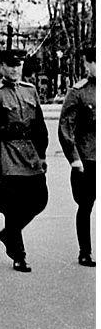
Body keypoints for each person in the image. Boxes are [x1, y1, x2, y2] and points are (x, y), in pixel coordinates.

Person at [0, 49, 49, 273]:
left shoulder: (30, 91)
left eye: (18, 65)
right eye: (10, 65)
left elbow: (39, 125)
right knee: (12, 206)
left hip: (29, 154)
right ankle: (19, 254)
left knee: (40, 200)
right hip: (7, 154)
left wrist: (42, 154)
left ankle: (8, 234)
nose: (14, 70)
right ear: (1, 66)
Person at [58, 46, 96, 267]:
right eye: (93, 63)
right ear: (88, 65)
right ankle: (85, 252)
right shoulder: (79, 92)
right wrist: (74, 158)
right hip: (88, 158)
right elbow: (65, 127)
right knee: (86, 205)